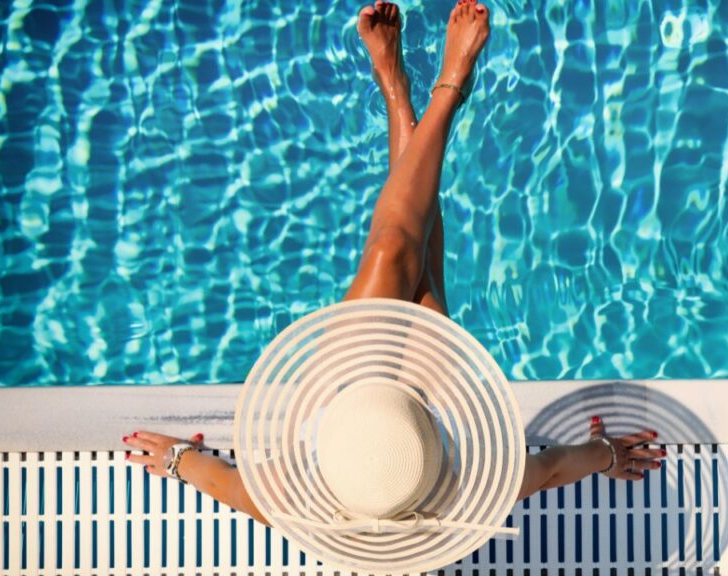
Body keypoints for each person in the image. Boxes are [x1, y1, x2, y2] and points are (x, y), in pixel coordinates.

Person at [122, 0, 665, 528]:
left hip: (347, 399)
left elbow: (234, 488)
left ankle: (410, 92)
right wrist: (607, 454)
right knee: (417, 262)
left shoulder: (295, 502)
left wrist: (179, 460)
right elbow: (547, 470)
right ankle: (435, 92)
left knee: (393, 248)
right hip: (429, 419)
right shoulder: (466, 496)